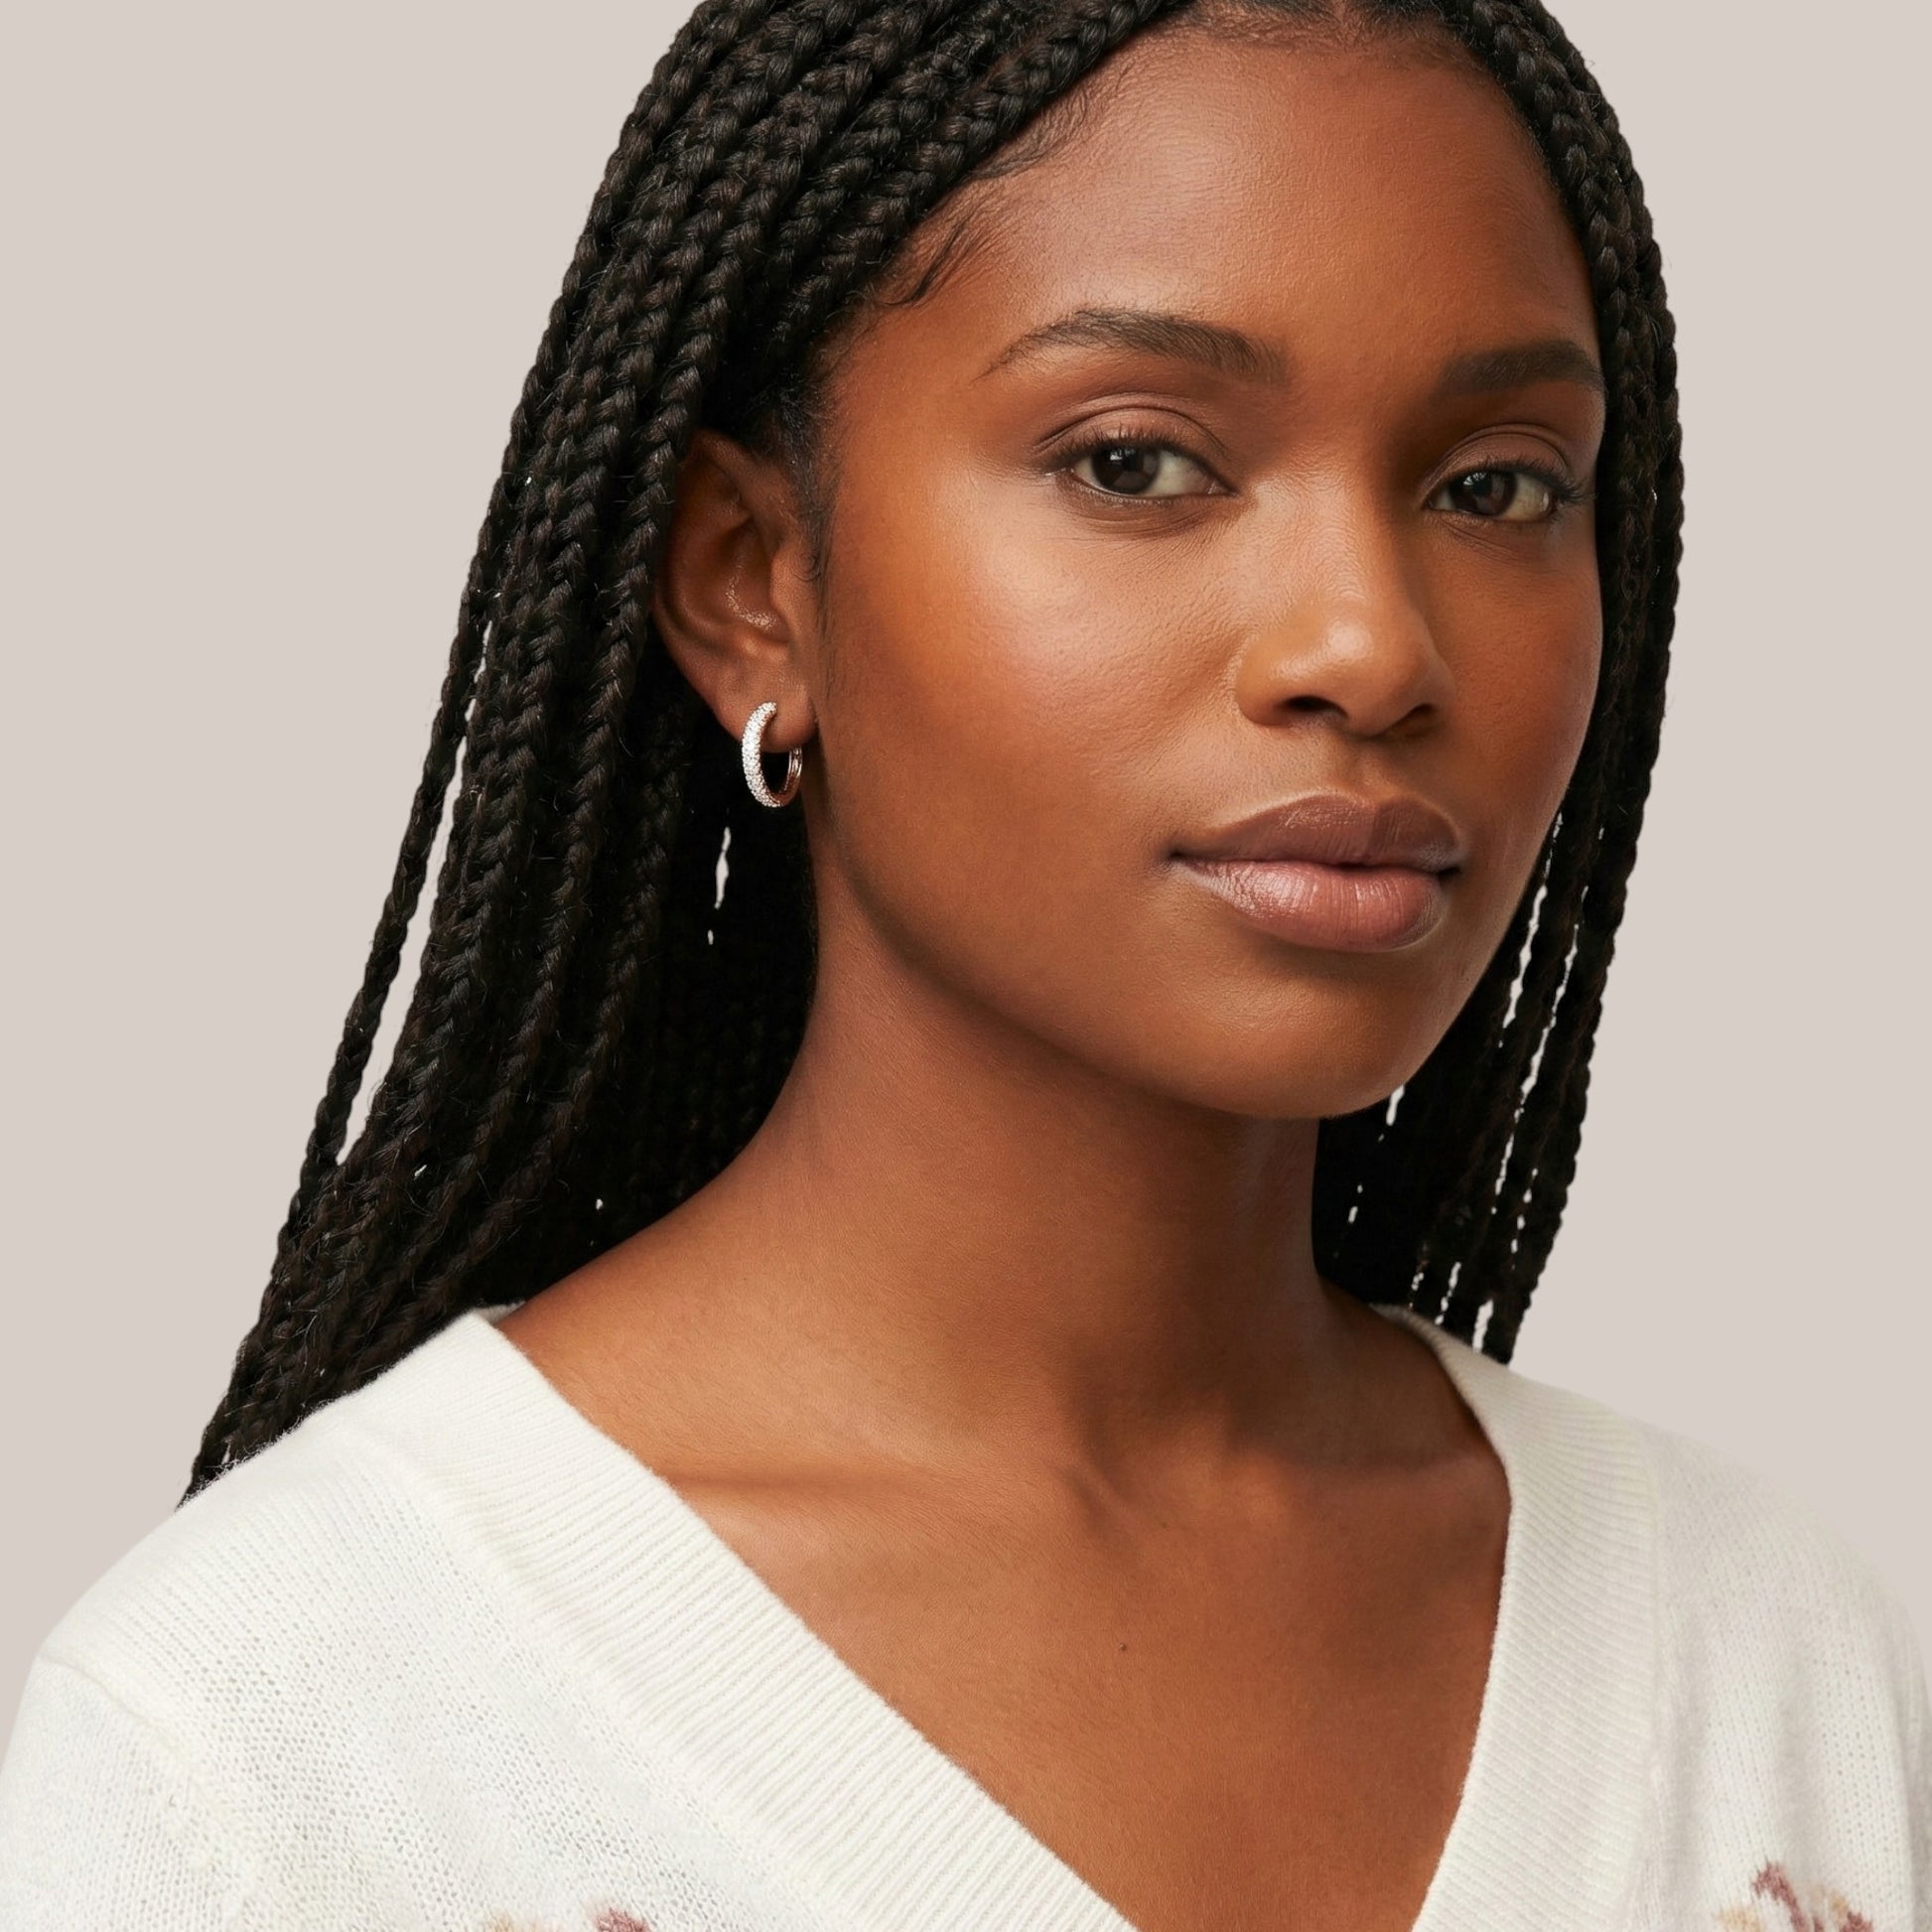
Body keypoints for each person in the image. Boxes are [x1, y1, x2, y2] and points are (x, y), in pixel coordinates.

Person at [1, 0, 1924, 1925]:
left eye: (1495, 484)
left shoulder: (1772, 1668)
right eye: (1139, 463)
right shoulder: (276, 1736)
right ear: (752, 580)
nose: (1368, 641)